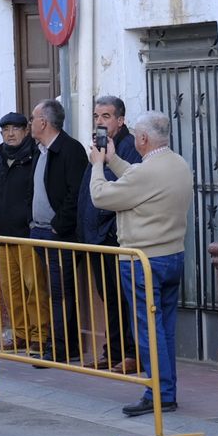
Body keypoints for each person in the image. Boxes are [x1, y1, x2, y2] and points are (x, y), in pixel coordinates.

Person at [89, 111, 194, 417]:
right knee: (165, 329)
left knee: (148, 330)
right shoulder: (178, 163)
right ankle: (167, 390)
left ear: (144, 139)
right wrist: (112, 161)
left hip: (142, 259)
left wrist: (98, 166)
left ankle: (158, 392)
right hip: (172, 255)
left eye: (136, 135)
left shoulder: (146, 173)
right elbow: (139, 179)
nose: (133, 139)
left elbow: (101, 197)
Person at [78, 96, 145, 373]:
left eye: (106, 116)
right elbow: (90, 191)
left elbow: (120, 191)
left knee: (123, 299)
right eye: (96, 116)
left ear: (120, 120)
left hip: (114, 238)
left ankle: (132, 354)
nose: (100, 122)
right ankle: (113, 351)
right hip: (95, 238)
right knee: (109, 298)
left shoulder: (128, 149)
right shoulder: (98, 148)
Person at [0, 112, 49, 357]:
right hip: (2, 236)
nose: (10, 134)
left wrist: (30, 221)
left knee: (35, 289)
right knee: (10, 290)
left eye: (15, 129)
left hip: (27, 236)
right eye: (5, 130)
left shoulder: (35, 159)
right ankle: (20, 334)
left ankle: (39, 336)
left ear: (26, 130)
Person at [29, 99, 88, 362]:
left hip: (59, 235)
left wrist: (57, 226)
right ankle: (62, 343)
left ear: (44, 122)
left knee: (60, 292)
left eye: (33, 118)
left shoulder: (70, 150)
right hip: (39, 232)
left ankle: (60, 347)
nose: (30, 123)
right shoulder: (39, 150)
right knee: (51, 291)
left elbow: (75, 193)